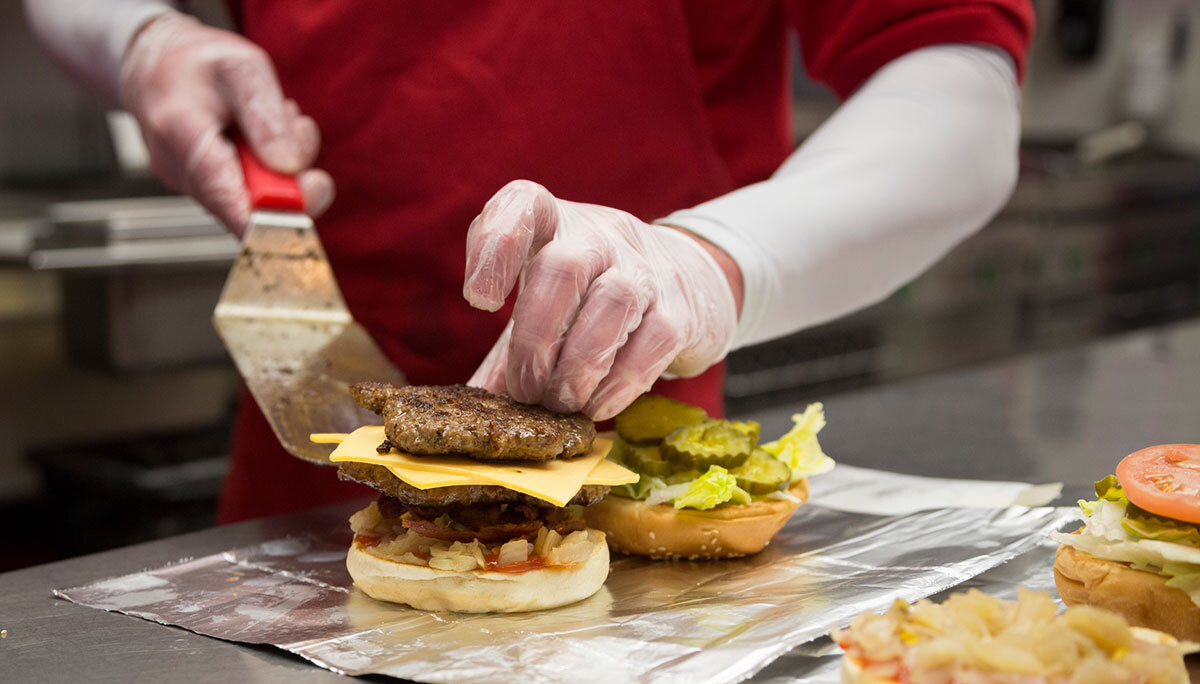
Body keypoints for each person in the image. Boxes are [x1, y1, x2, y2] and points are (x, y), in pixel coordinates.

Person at [26, 1, 1032, 522]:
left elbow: (960, 90)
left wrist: (710, 261)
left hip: (627, 476)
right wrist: (141, 40)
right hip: (310, 448)